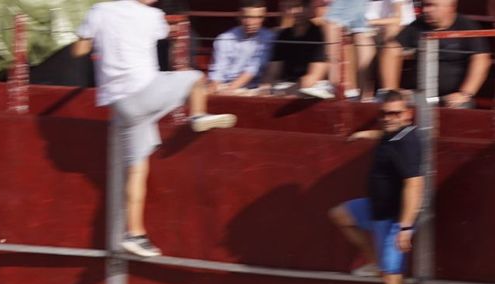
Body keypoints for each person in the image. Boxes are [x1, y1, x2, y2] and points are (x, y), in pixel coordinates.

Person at [72, 0, 237, 259]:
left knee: (137, 170)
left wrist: (100, 41)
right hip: (146, 92)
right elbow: (168, 34)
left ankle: (135, 234)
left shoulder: (99, 10)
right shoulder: (154, 16)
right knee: (195, 78)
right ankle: (197, 114)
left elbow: (79, 50)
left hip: (120, 104)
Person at [327, 90, 422, 284]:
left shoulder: (407, 143)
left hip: (394, 218)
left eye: (395, 113)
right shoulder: (394, 134)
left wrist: (405, 226)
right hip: (377, 209)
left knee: (393, 279)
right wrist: (366, 134)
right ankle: (373, 261)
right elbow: (385, 133)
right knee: (340, 215)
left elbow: (415, 185)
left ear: (408, 114)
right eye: (384, 114)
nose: (388, 118)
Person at [381, 0, 491, 109]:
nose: (425, 10)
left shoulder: (467, 26)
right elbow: (392, 50)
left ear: (450, 7)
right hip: (417, 95)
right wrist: (392, 93)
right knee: (392, 104)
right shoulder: (417, 25)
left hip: (452, 98)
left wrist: (465, 93)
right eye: (424, 5)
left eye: (431, 5)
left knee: (462, 107)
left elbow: (481, 59)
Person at [207, 0, 276, 93]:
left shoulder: (268, 37)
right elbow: (218, 69)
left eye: (256, 17)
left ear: (263, 18)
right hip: (225, 84)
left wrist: (230, 90)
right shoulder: (225, 38)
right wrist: (215, 88)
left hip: (253, 86)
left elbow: (253, 68)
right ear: (239, 16)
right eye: (246, 17)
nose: (250, 22)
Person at [266, 0, 328, 97]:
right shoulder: (283, 35)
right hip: (284, 86)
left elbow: (314, 76)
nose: (297, 11)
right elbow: (273, 72)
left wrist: (285, 92)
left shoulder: (319, 35)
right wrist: (265, 89)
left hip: (309, 90)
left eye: (301, 6)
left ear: (310, 8)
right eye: (293, 7)